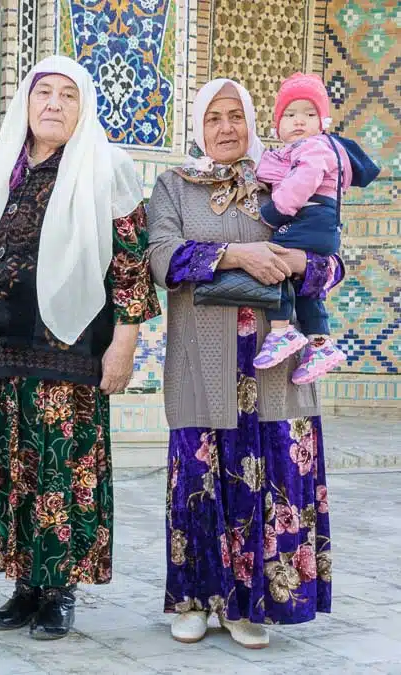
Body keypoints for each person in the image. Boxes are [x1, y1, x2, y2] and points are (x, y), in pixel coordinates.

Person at [0, 55, 160, 640]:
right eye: (44, 92)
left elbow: (132, 265)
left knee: (59, 471)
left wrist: (124, 345)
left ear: (83, 108)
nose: (54, 104)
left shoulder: (105, 168)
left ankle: (59, 590)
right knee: (8, 469)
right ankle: (24, 586)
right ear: (25, 102)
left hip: (70, 355)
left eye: (69, 95)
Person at [147, 79, 342, 649]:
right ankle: (195, 600)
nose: (227, 127)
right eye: (214, 118)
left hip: (275, 366)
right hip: (201, 361)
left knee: (273, 473)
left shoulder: (283, 177)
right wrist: (237, 256)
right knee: (198, 478)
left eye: (236, 116)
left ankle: (251, 605)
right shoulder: (174, 186)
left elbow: (333, 261)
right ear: (198, 128)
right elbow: (160, 259)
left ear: (253, 123)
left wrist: (295, 264)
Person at [253, 72, 378, 383]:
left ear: (323, 122)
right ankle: (319, 343)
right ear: (277, 125)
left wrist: (275, 211)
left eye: (309, 114)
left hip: (311, 218)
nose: (299, 121)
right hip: (321, 226)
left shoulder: (316, 147)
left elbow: (302, 181)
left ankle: (281, 331)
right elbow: (274, 169)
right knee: (306, 286)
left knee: (273, 263)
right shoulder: (300, 150)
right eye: (290, 115)